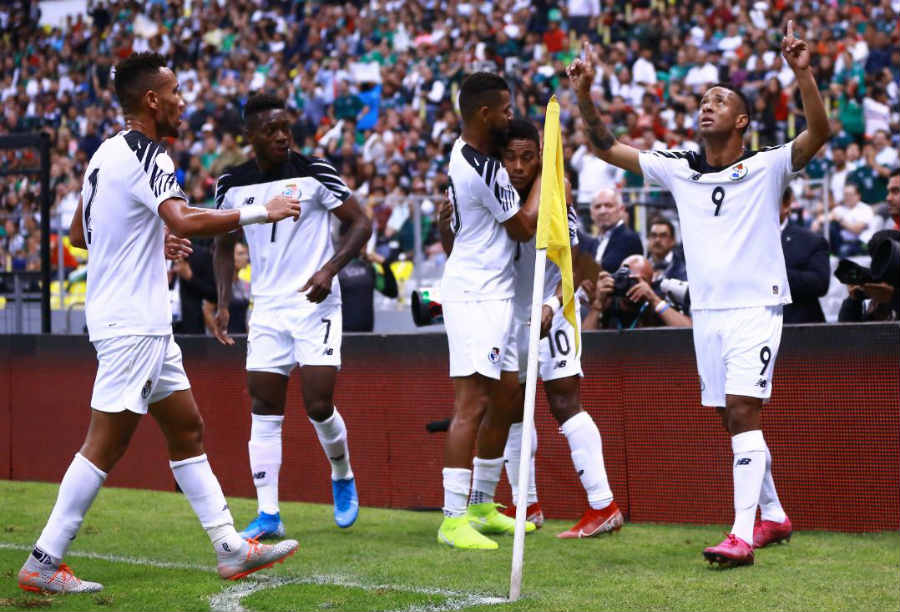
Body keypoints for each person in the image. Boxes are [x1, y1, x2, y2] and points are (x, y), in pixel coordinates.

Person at [17, 52, 301, 594]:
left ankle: (229, 547)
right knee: (104, 443)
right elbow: (184, 217)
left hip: (131, 319)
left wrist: (150, 239)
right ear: (152, 99)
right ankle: (45, 559)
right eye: (175, 92)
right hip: (135, 323)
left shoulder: (104, 153)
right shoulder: (151, 154)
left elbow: (82, 231)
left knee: (186, 427)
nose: (182, 102)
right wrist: (263, 210)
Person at [567, 19, 830, 567]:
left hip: (756, 306)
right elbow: (604, 145)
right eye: (702, 99)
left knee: (741, 410)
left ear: (741, 120)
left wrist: (802, 73)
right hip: (707, 313)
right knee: (732, 418)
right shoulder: (680, 169)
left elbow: (818, 134)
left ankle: (740, 534)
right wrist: (584, 95)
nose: (705, 105)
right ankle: (775, 515)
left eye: (718, 100)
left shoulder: (765, 165)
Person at [212, 94, 372, 539]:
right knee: (264, 408)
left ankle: (341, 473)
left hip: (314, 301)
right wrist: (225, 303)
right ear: (251, 136)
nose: (282, 136)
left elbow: (362, 223)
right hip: (266, 308)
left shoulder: (315, 171)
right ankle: (269, 515)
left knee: (319, 403)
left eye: (286, 127)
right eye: (271, 130)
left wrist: (329, 269)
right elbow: (222, 242)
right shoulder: (232, 183)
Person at [491, 118, 626, 538]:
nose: (517, 166)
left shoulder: (556, 188)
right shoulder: (489, 187)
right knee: (512, 411)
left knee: (565, 403)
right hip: (506, 313)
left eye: (527, 157)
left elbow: (576, 259)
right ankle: (525, 504)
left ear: (540, 156)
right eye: (509, 157)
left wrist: (552, 303)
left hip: (554, 306)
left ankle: (603, 505)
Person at [437, 72, 540, 550]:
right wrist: (548, 180)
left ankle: (481, 503)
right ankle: (452, 518)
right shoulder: (480, 167)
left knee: (507, 400)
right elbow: (522, 227)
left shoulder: (475, 158)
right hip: (475, 295)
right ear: (484, 113)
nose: (510, 116)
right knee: (473, 404)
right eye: (505, 109)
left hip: (495, 295)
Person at [581, 255, 692, 330]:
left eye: (638, 280)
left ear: (650, 283)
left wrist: (654, 299)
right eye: (626, 278)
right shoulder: (609, 303)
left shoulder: (656, 304)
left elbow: (689, 332)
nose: (631, 285)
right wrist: (598, 304)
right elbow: (584, 346)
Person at [780, 189, 829, 324]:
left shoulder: (811, 240)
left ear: (786, 204)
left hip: (799, 331)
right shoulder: (742, 241)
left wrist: (777, 274)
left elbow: (820, 283)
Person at [578, 189, 643, 273]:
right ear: (591, 213)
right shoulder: (593, 242)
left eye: (609, 206)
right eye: (597, 207)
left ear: (621, 209)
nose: (603, 211)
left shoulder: (629, 239)